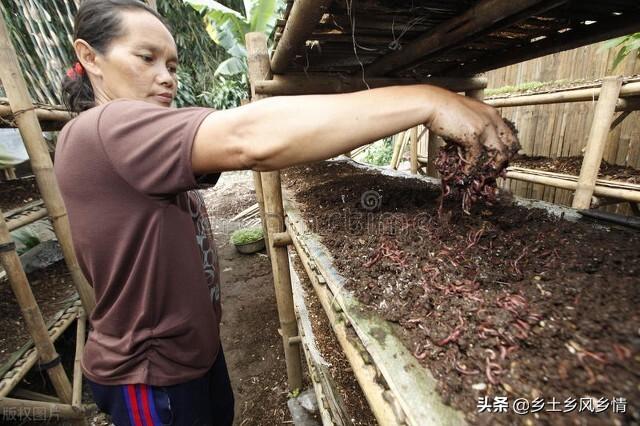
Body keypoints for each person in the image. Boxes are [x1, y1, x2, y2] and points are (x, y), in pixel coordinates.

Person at [54, 1, 517, 425]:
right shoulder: (104, 126)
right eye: (146, 58)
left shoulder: (130, 142)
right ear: (90, 57)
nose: (167, 77)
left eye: (172, 64)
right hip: (150, 376)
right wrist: (429, 99)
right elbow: (250, 137)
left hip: (190, 356)